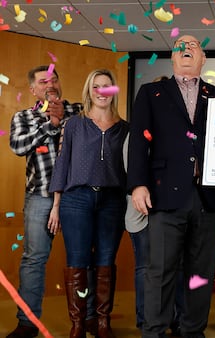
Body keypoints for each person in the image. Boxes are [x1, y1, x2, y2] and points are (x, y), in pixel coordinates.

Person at [127, 35, 215, 338]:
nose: (186, 49)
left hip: (207, 198)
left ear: (203, 58)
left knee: (200, 275)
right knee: (160, 272)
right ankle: (154, 332)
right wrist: (137, 185)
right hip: (163, 195)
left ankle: (192, 332)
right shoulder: (151, 92)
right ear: (172, 58)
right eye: (180, 46)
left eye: (193, 45)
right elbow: (137, 145)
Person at [49, 68, 128, 338]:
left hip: (112, 201)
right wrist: (56, 205)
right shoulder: (74, 124)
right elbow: (62, 164)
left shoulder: (125, 129)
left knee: (105, 262)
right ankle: (79, 324)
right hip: (76, 199)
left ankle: (102, 322)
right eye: (96, 86)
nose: (102, 91)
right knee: (78, 263)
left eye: (107, 86)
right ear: (89, 91)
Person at [7, 65, 85, 338]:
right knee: (33, 260)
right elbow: (17, 146)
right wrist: (50, 125)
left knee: (83, 260)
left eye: (54, 79)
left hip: (78, 198)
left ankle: (86, 322)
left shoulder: (79, 110)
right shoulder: (24, 117)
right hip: (40, 197)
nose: (49, 84)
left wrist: (64, 118)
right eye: (43, 81)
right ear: (33, 89)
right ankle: (27, 323)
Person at [124, 75, 185, 336]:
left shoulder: (174, 136)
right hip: (143, 211)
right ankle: (145, 320)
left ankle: (173, 319)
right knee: (147, 269)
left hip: (169, 208)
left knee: (171, 268)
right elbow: (132, 165)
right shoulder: (138, 132)